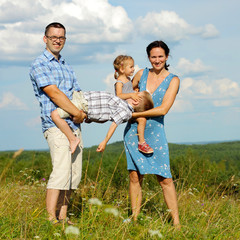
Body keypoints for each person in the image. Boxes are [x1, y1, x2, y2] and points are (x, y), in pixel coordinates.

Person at [29, 22, 86, 224]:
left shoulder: (66, 65)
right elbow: (54, 93)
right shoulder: (39, 64)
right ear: (45, 38)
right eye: (53, 36)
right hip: (55, 125)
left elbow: (77, 94)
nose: (57, 40)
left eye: (61, 37)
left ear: (65, 40)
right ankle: (50, 219)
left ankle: (63, 216)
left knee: (74, 175)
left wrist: (80, 114)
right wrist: (77, 112)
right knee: (61, 171)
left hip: (74, 125)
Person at [123, 40, 180, 227]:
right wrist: (130, 98)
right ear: (148, 57)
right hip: (133, 130)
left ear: (167, 56)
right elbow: (126, 93)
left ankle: (177, 224)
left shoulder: (173, 80)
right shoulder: (141, 74)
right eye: (153, 57)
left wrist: (137, 113)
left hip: (156, 132)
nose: (157, 60)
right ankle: (135, 220)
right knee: (134, 176)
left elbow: (163, 109)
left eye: (160, 56)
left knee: (165, 178)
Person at [51, 90, 154, 153]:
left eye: (136, 94)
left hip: (83, 104)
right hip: (83, 98)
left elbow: (114, 125)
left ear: (136, 101)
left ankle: (73, 139)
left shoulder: (125, 112)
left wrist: (105, 141)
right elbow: (104, 116)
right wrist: (91, 119)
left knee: (55, 115)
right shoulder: (122, 104)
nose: (133, 93)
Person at [113, 55, 154, 154]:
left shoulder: (127, 80)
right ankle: (142, 142)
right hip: (124, 107)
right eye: (131, 67)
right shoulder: (119, 82)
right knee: (142, 119)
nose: (133, 69)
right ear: (122, 69)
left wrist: (134, 91)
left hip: (130, 106)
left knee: (143, 118)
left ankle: (141, 142)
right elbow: (119, 96)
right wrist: (131, 94)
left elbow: (128, 91)